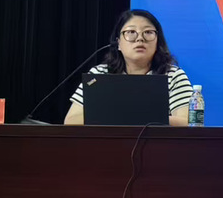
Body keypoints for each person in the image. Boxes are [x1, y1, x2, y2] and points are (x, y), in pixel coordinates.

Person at [64, 9, 193, 126]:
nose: (140, 39)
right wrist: (138, 116)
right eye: (131, 32)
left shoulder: (173, 75)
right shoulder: (99, 74)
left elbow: (189, 123)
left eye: (148, 32)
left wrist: (129, 116)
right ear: (118, 43)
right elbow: (71, 121)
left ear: (157, 41)